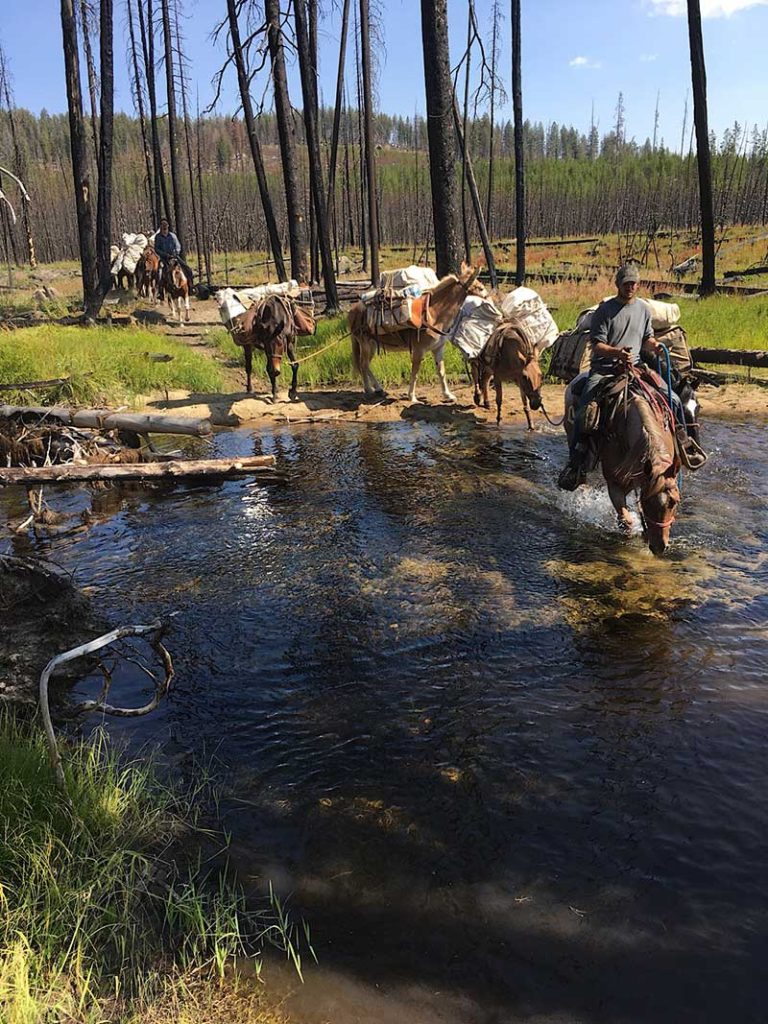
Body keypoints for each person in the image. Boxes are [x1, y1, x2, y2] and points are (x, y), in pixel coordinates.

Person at [558, 264, 668, 491]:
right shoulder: (604, 311)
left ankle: (682, 442)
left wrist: (655, 346)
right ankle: (576, 459)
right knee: (585, 408)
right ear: (618, 284)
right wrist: (617, 353)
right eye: (626, 283)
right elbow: (596, 345)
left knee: (670, 397)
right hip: (605, 369)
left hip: (635, 368)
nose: (630, 287)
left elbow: (646, 338)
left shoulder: (643, 310)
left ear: (638, 284)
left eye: (634, 283)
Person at [152, 218, 194, 288]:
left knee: (187, 269)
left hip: (174, 257)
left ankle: (191, 286)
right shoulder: (158, 237)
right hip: (164, 259)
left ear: (168, 225)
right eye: (163, 225)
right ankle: (160, 289)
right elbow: (157, 249)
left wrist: (175, 253)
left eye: (166, 224)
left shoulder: (172, 236)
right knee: (159, 272)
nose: (164, 226)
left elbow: (178, 246)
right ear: (160, 226)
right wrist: (165, 255)